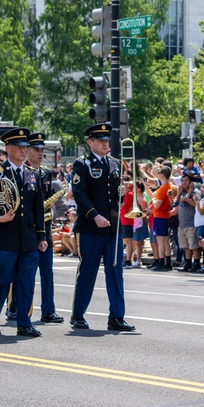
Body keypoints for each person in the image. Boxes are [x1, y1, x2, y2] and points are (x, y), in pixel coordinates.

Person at [0, 128, 48, 338]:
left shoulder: (32, 174)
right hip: (5, 236)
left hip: (28, 237)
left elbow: (37, 208)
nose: (24, 150)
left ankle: (24, 322)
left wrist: (42, 236)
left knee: (27, 281)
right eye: (19, 147)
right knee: (4, 279)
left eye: (25, 147)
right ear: (8, 149)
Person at [66, 124, 135, 333]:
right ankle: (78, 315)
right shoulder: (82, 164)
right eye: (101, 140)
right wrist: (94, 215)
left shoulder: (115, 164)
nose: (106, 143)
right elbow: (79, 193)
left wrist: (120, 192)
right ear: (91, 142)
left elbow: (112, 195)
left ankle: (117, 316)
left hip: (113, 227)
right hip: (91, 227)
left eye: (107, 140)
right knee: (87, 272)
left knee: (116, 273)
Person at [23, 132, 64, 323]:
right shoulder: (21, 171)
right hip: (26, 229)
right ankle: (15, 307)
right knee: (23, 273)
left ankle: (48, 309)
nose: (40, 153)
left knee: (47, 270)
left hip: (45, 227)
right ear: (27, 150)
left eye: (42, 150)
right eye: (36, 150)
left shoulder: (46, 173)